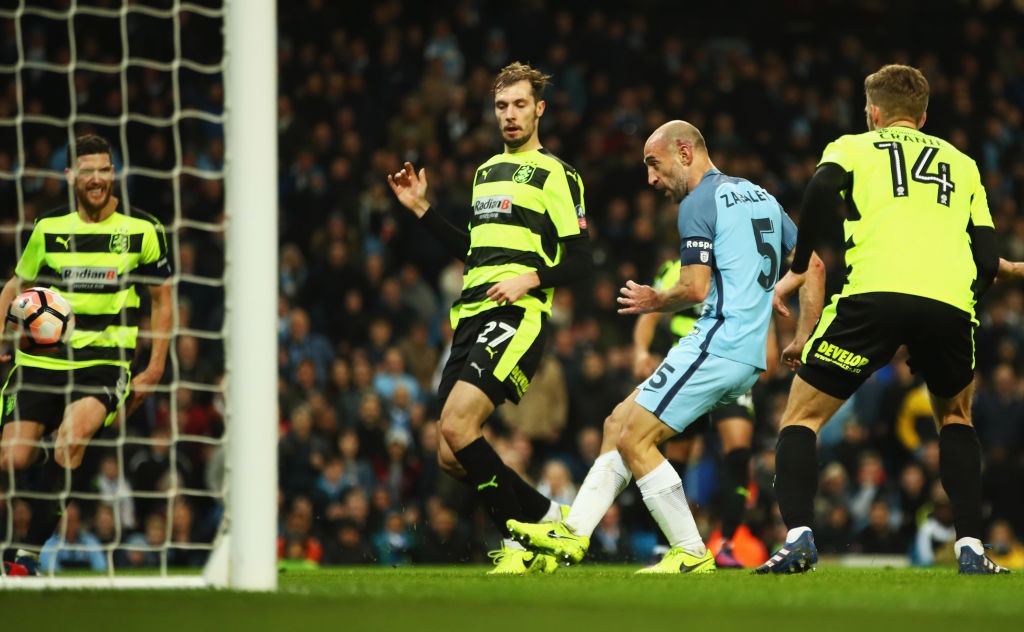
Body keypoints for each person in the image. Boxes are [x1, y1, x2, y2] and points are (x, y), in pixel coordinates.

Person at [508, 120, 823, 574]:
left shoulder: (698, 202)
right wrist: (800, 334)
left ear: (685, 153)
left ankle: (690, 551)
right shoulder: (761, 196)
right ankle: (572, 532)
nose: (651, 179)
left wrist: (656, 299)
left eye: (654, 166)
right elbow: (813, 264)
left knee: (637, 437)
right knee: (618, 421)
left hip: (717, 342)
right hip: (737, 351)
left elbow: (694, 289)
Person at [756, 64, 1007, 575]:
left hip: (873, 299)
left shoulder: (853, 146)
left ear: (873, 112)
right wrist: (954, 305)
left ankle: (800, 538)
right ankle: (972, 549)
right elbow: (985, 259)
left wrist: (801, 265)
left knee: (801, 417)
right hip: (950, 305)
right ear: (924, 116)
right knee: (956, 418)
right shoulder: (962, 163)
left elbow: (822, 190)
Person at [387, 61, 592, 574]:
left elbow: (584, 260)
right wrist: (422, 210)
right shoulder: (483, 173)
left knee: (459, 424)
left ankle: (518, 547)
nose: (510, 115)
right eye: (502, 106)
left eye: (520, 104)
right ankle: (547, 514)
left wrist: (531, 279)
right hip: (471, 316)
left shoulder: (558, 175)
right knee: (449, 454)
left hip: (517, 314)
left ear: (539, 109)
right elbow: (475, 250)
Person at [0, 133, 173, 575]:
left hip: (104, 361)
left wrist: (153, 367)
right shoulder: (49, 227)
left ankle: (26, 555)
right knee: (11, 460)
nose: (95, 179)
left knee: (72, 438)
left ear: (113, 174)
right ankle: (38, 451)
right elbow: (11, 288)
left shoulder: (143, 229)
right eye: (87, 171)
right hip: (43, 359)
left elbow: (163, 301)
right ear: (70, 175)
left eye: (103, 170)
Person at [632, 256, 779, 568]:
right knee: (677, 459)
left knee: (739, 453)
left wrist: (766, 351)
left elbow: (764, 330)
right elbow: (649, 316)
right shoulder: (676, 268)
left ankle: (726, 543)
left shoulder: (742, 267)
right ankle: (665, 545)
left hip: (729, 369)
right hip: (686, 372)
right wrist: (641, 352)